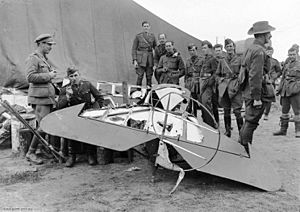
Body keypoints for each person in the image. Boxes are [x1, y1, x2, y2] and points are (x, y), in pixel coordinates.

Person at [239, 21, 276, 153]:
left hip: (248, 90)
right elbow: (255, 76)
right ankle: (245, 151)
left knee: (248, 121)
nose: (270, 36)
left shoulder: (250, 48)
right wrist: (256, 98)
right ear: (263, 35)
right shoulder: (259, 51)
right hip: (255, 92)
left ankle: (241, 147)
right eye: (269, 33)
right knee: (251, 122)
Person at [57, 66, 104, 167]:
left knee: (89, 133)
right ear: (68, 77)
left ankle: (90, 155)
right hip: (73, 115)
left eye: (76, 75)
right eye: (71, 76)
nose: (74, 78)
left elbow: (99, 97)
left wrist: (96, 110)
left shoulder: (87, 85)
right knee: (72, 135)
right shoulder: (65, 89)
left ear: (79, 75)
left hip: (86, 114)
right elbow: (59, 106)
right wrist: (67, 97)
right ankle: (72, 156)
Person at [25, 34, 57, 165]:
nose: (51, 47)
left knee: (45, 125)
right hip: (39, 98)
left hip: (46, 97)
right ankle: (30, 152)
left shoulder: (43, 59)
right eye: (49, 44)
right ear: (41, 43)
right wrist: (49, 75)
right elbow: (30, 77)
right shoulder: (33, 58)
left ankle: (40, 149)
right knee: (43, 126)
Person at [216, 39, 244, 137]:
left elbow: (243, 73)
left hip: (235, 87)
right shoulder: (222, 60)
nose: (229, 48)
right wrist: (220, 81)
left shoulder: (240, 59)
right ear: (225, 48)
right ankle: (228, 131)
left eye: (231, 46)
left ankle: (242, 132)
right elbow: (217, 74)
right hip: (225, 87)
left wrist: (239, 83)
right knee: (226, 110)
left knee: (237, 111)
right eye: (227, 47)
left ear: (234, 47)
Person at [273, 47, 300, 138]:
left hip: (295, 90)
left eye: (293, 54)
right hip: (285, 90)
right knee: (284, 111)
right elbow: (283, 77)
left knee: (297, 112)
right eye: (290, 54)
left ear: (297, 54)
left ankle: (298, 131)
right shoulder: (287, 63)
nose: (291, 56)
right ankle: (283, 130)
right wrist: (279, 89)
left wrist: (298, 86)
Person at [132, 21, 157, 89]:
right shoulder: (138, 36)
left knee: (149, 76)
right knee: (140, 76)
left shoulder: (153, 36)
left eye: (147, 26)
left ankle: (148, 92)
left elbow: (156, 48)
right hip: (141, 59)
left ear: (149, 27)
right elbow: (134, 49)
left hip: (149, 59)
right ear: (142, 27)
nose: (146, 27)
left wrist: (156, 61)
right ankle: (138, 91)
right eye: (144, 26)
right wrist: (135, 60)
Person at [199, 40, 218, 128]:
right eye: (202, 48)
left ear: (210, 48)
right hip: (202, 83)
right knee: (202, 104)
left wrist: (209, 82)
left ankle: (211, 124)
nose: (203, 50)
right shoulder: (204, 59)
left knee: (206, 103)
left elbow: (215, 73)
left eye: (205, 48)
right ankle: (206, 122)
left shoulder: (213, 59)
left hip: (208, 84)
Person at [263, 46, 282, 120]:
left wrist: (274, 77)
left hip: (270, 82)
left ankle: (266, 114)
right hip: (262, 81)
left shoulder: (275, 61)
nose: (269, 53)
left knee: (269, 98)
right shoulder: (262, 61)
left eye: (270, 51)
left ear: (272, 52)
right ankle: (260, 112)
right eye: (267, 51)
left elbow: (279, 71)